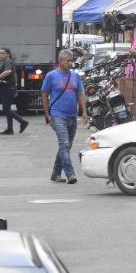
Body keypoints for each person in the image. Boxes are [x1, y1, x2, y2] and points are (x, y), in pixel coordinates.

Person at [42, 49, 86, 185]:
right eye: (68, 61)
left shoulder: (75, 76)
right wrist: (47, 114)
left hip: (72, 116)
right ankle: (70, 174)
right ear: (60, 61)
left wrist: (84, 111)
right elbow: (44, 94)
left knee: (66, 146)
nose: (71, 63)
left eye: (72, 61)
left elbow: (80, 94)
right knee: (65, 144)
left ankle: (55, 174)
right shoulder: (51, 76)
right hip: (57, 115)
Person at [0, 46, 28, 135]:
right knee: (7, 109)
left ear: (7, 54)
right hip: (6, 87)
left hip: (8, 88)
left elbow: (8, 71)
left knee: (6, 109)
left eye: (3, 53)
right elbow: (11, 75)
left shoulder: (8, 62)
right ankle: (10, 129)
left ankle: (22, 122)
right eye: (0, 53)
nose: (1, 55)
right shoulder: (4, 62)